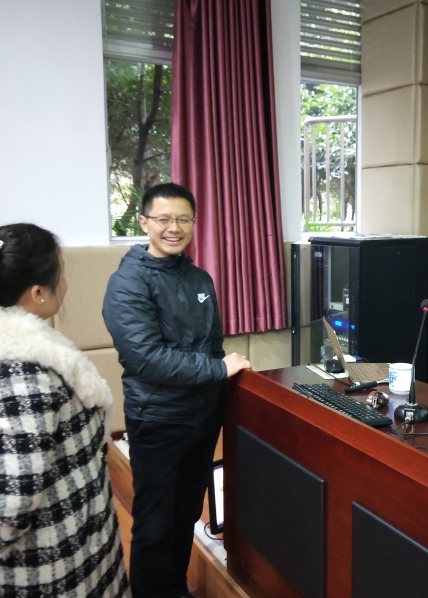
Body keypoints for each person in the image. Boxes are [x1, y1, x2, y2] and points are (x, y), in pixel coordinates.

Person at [0, 224, 129, 597]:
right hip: (51, 568)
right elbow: (14, 502)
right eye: (60, 273)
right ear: (38, 293)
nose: (64, 283)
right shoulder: (22, 377)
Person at [102, 183, 251, 598]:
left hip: (202, 418)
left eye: (184, 219)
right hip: (159, 419)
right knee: (155, 522)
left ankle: (175, 589)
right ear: (144, 222)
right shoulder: (128, 282)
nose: (174, 228)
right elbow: (147, 359)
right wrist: (219, 369)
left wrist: (220, 379)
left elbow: (213, 344)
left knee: (185, 514)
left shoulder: (200, 277)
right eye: (164, 219)